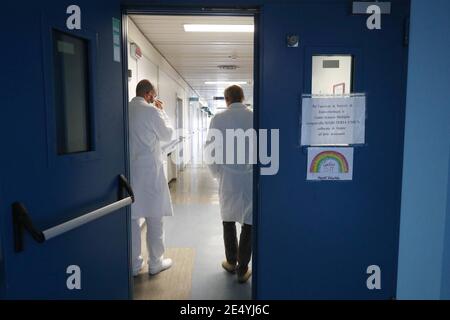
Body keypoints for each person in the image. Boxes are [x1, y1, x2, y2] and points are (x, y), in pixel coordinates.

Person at [205, 85, 253, 283]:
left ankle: (231, 262)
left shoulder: (218, 119)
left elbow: (210, 151)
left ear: (226, 100)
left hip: (228, 176)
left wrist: (218, 173)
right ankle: (243, 269)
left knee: (228, 218)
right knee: (250, 221)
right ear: (243, 98)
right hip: (250, 175)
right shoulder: (254, 116)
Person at [129, 79, 174, 276]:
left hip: (128, 172)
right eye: (153, 95)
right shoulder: (152, 111)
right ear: (148, 94)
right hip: (150, 172)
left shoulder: (123, 109)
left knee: (132, 219)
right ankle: (156, 262)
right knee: (155, 218)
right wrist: (162, 111)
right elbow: (167, 135)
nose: (153, 98)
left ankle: (134, 265)